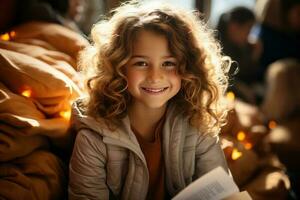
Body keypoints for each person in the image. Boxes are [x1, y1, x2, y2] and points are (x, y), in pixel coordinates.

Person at [69, 1, 232, 199]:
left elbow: (223, 195)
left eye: (168, 63)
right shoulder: (92, 139)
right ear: (119, 66)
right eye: (141, 63)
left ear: (188, 68)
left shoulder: (198, 128)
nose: (155, 76)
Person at [217, 6, 263, 104]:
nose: (249, 35)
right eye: (248, 29)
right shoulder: (216, 46)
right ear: (234, 27)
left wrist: (255, 56)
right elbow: (220, 77)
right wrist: (241, 88)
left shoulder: (244, 47)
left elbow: (251, 77)